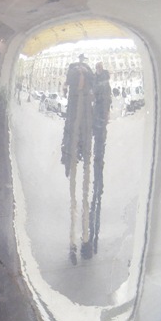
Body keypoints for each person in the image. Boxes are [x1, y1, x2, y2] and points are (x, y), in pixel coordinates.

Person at [61, 53, 95, 265]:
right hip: (75, 150)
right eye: (78, 75)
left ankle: (85, 240)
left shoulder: (86, 102)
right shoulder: (73, 104)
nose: (81, 79)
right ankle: (74, 243)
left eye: (84, 75)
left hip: (84, 149)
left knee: (84, 192)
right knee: (74, 195)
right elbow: (68, 131)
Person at [89, 62, 112, 253]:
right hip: (98, 115)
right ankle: (99, 161)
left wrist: (105, 113)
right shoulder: (100, 80)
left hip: (99, 115)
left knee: (99, 141)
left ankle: (99, 162)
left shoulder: (101, 81)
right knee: (99, 141)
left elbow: (103, 98)